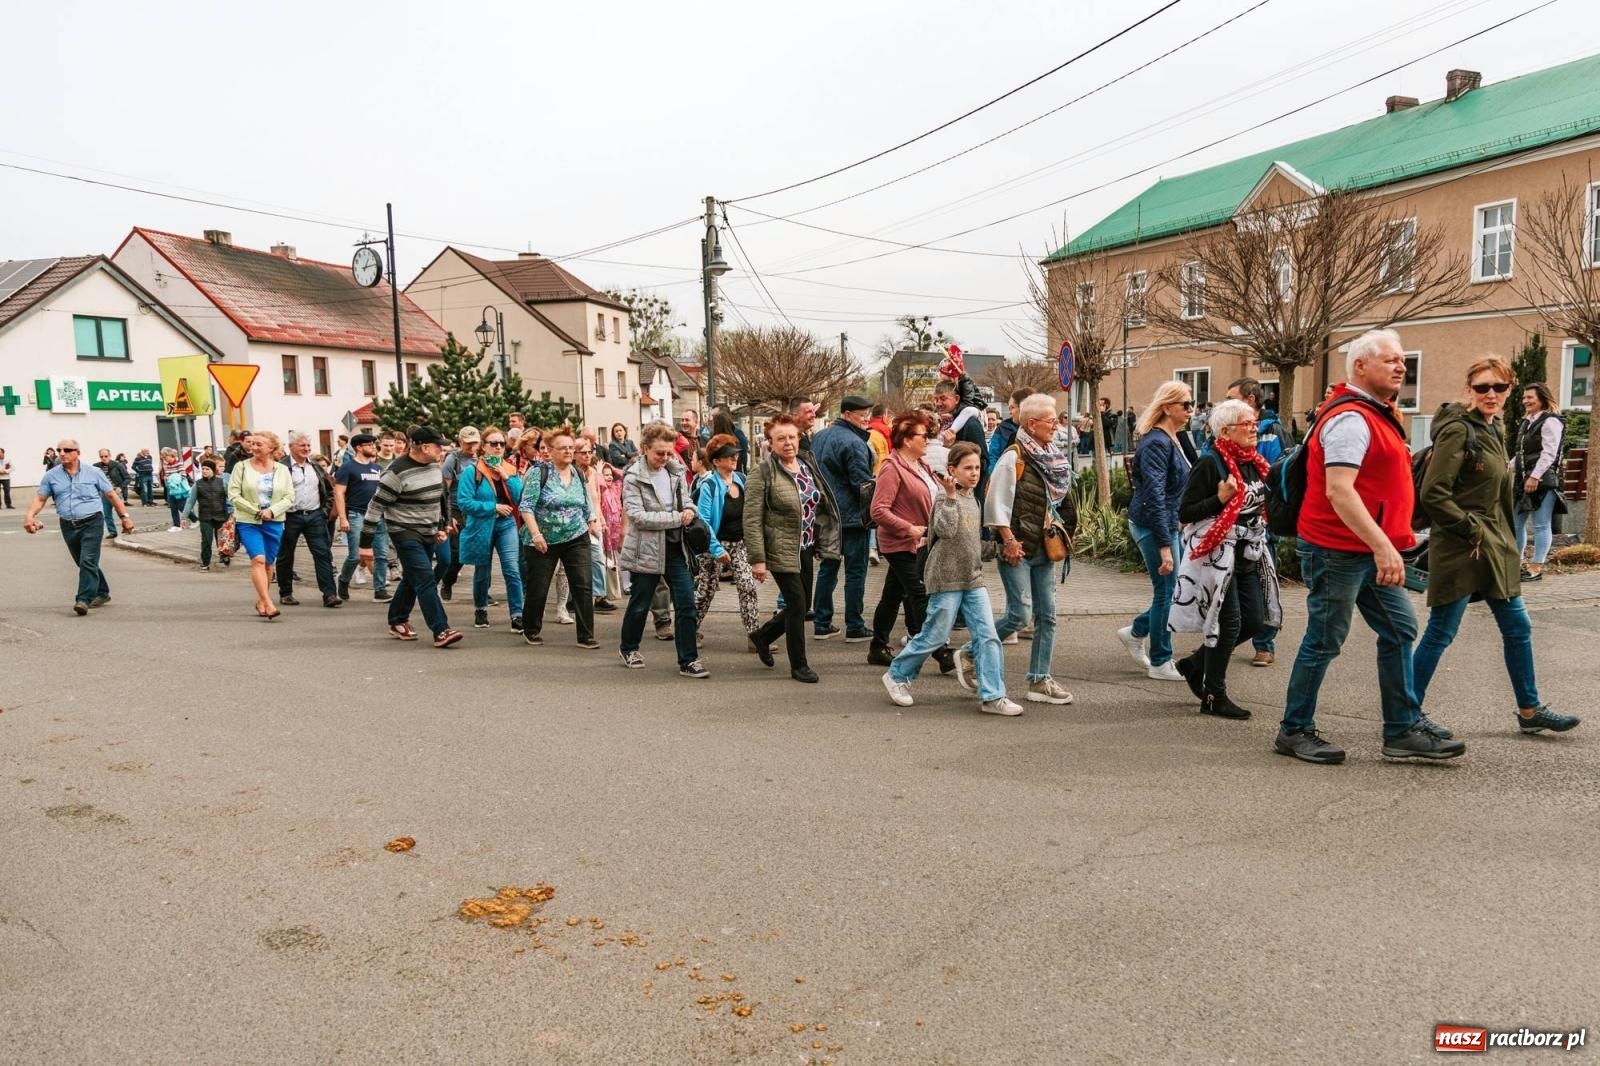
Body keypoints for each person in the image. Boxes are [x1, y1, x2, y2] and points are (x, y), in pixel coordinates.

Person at [1276, 329, 1466, 764]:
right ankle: (1294, 729)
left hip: (1367, 548)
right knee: (1324, 639)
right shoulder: (1351, 418)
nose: (1401, 366)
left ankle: (1401, 729)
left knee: (1400, 629)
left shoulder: (1378, 413)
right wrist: (1383, 545)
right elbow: (1340, 491)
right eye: (1390, 360)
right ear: (1360, 366)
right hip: (1338, 549)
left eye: (1402, 360)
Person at [1412, 359, 1579, 736]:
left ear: (1509, 391)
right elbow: (1434, 493)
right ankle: (1404, 712)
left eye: (1499, 388)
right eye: (1482, 387)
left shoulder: (1494, 427)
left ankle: (1530, 709)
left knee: (1518, 628)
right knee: (1440, 632)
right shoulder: (1458, 430)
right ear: (1469, 388)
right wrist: (1472, 530)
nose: (1491, 394)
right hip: (1463, 548)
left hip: (1495, 548)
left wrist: (1500, 540)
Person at [883, 442, 1023, 716]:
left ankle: (993, 696)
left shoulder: (974, 500)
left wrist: (1000, 549)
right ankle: (897, 675)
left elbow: (972, 544)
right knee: (934, 635)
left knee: (988, 636)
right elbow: (945, 531)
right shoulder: (942, 498)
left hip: (972, 579)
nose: (974, 473)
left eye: (977, 468)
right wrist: (949, 496)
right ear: (952, 470)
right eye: (967, 468)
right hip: (945, 579)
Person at [1169, 399, 1280, 719]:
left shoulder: (1254, 461)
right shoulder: (1210, 463)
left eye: (1254, 422)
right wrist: (1219, 499)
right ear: (1225, 430)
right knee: (1229, 624)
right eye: (1246, 423)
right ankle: (1214, 695)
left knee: (1254, 621)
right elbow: (1186, 512)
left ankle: (1195, 664)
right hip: (1218, 554)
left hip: (1248, 551)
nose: (1253, 428)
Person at [987, 394, 1075, 705]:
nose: (1056, 425)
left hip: (1045, 548)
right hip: (1019, 547)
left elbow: (1063, 501)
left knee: (1047, 616)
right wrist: (1008, 540)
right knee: (1019, 614)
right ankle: (972, 652)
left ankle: (1039, 681)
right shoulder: (1014, 456)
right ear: (1031, 423)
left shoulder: (1053, 456)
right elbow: (995, 502)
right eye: (1051, 420)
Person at [746, 415, 840, 684]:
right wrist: (757, 560)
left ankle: (762, 636)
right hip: (779, 548)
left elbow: (817, 506)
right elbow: (751, 519)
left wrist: (822, 541)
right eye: (781, 439)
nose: (787, 443)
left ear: (799, 438)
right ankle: (799, 665)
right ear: (771, 443)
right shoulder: (762, 472)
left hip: (806, 547)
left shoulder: (806, 465)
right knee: (797, 605)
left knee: (802, 604)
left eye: (791, 437)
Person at [1119, 381, 1197, 681]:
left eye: (1191, 404)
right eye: (1185, 405)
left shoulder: (1177, 437)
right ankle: (1161, 660)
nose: (1191, 409)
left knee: (1171, 591)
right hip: (1153, 524)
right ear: (1167, 407)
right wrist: (1165, 544)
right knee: (1167, 592)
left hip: (1169, 522)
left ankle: (1136, 631)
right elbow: (1153, 494)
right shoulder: (1155, 443)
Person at [867, 410, 953, 674]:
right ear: (906, 440)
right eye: (923, 436)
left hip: (922, 542)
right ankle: (941, 651)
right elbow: (878, 510)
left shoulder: (922, 465)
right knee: (919, 595)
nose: (927, 440)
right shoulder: (892, 468)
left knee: (892, 594)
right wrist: (909, 529)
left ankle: (877, 646)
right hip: (901, 544)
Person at [617, 422, 706, 677]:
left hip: (676, 547)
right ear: (645, 449)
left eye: (669, 453)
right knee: (640, 604)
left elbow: (686, 501)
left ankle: (688, 660)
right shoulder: (633, 477)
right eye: (659, 453)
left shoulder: (676, 471)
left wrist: (690, 510)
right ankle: (628, 647)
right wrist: (678, 518)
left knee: (687, 603)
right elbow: (637, 516)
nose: (665, 458)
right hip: (646, 549)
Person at [361, 425, 461, 648]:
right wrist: (365, 545)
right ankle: (441, 629)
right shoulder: (396, 473)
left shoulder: (434, 467)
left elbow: (439, 498)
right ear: (424, 447)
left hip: (428, 532)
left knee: (412, 578)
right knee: (425, 578)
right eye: (439, 447)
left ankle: (397, 620)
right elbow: (374, 509)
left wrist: (442, 527)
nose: (443, 451)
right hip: (404, 533)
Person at [23, 438, 134, 613]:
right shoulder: (51, 475)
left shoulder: (93, 472)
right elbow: (40, 498)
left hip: (92, 521)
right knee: (82, 562)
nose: (62, 453)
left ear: (77, 453)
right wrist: (30, 516)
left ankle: (83, 599)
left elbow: (111, 495)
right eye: (59, 450)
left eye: (67, 450)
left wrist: (124, 517)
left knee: (87, 560)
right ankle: (102, 592)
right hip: (68, 525)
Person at [1224, 377, 1284, 666]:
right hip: (1233, 523)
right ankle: (1229, 636)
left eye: (1231, 398)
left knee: (1265, 581)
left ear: (1249, 400)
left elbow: (1277, 474)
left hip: (1260, 520)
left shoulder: (1271, 433)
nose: (1226, 403)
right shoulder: (1225, 433)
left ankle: (1264, 643)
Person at [519, 428, 598, 648]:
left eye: (571, 448)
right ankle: (531, 629)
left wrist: (592, 521)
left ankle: (586, 635)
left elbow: (584, 502)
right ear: (550, 451)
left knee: (582, 584)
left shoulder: (578, 473)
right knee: (539, 586)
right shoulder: (539, 473)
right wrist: (535, 534)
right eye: (563, 448)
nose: (568, 451)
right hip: (543, 538)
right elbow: (526, 507)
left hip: (575, 534)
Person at [810, 395, 876, 642]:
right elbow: (863, 485)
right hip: (851, 517)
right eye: (862, 415)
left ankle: (821, 622)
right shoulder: (854, 443)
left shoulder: (820, 437)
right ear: (847, 414)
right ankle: (855, 625)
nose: (866, 419)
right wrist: (872, 516)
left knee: (828, 567)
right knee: (856, 572)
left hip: (825, 515)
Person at [457, 426, 526, 633]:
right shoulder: (472, 472)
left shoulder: (510, 469)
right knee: (482, 571)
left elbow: (519, 499)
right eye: (493, 443)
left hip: (506, 525)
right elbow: (464, 502)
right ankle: (480, 608)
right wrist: (492, 507)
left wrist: (505, 476)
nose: (498, 447)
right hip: (482, 525)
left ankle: (517, 615)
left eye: (501, 444)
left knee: (512, 569)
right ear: (483, 447)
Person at [693, 433, 760, 636]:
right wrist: (716, 548)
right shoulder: (709, 486)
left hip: (739, 544)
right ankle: (689, 630)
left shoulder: (741, 479)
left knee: (748, 587)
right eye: (729, 455)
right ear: (716, 461)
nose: (734, 458)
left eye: (735, 454)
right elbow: (704, 522)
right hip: (714, 546)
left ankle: (756, 636)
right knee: (706, 592)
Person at [226, 430, 294, 620]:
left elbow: (289, 497)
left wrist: (271, 511)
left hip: (274, 521)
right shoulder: (241, 467)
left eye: (258, 444)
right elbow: (233, 494)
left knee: (268, 563)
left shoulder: (282, 470)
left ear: (271, 448)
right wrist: (255, 510)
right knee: (258, 559)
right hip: (249, 520)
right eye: (252, 444)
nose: (253, 447)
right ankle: (269, 602)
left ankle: (261, 600)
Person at [275, 431, 340, 609]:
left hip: (314, 516)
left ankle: (330, 594)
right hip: (290, 517)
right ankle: (286, 592)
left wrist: (324, 512)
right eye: (302, 445)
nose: (306, 449)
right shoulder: (281, 468)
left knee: (323, 554)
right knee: (285, 555)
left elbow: (328, 490)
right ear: (291, 447)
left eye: (308, 446)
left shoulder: (315, 467)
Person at [1511, 382, 1565, 582]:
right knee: (1516, 522)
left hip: (1543, 480)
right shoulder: (1527, 422)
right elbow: (1522, 454)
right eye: (1524, 398)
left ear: (1541, 398)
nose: (1525, 401)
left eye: (1529, 398)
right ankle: (1515, 563)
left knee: (1541, 524)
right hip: (1523, 480)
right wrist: (1506, 467)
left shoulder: (1551, 421)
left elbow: (1549, 453)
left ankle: (1536, 567)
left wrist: (1535, 476)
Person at [333, 433, 390, 601]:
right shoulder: (348, 468)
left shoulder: (377, 468)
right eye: (369, 444)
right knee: (356, 555)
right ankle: (343, 580)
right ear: (359, 447)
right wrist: (343, 518)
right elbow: (339, 493)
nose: (374, 447)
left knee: (381, 554)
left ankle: (379, 590)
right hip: (356, 514)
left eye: (374, 444)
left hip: (377, 515)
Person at [434, 426, 480, 601]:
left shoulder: (482, 459)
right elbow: (444, 489)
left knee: (481, 553)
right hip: (457, 510)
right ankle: (447, 581)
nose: (471, 446)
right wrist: (448, 516)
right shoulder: (453, 460)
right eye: (468, 443)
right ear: (460, 442)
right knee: (458, 554)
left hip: (477, 510)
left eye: (475, 442)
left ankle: (482, 591)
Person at [183, 458, 231, 571]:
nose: (204, 471)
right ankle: (205, 562)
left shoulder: (222, 482)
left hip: (221, 515)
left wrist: (233, 510)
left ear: (213, 470)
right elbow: (190, 501)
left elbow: (231, 497)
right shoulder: (198, 484)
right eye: (203, 469)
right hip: (205, 516)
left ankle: (224, 556)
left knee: (222, 539)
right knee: (206, 540)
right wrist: (184, 517)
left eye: (207, 469)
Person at [986, 389, 1033, 472]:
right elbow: (993, 455)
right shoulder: (1003, 428)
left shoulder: (1039, 430)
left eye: (1012, 407)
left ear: (1024, 407)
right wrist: (994, 476)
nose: (1010, 412)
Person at [93, 449, 130, 538]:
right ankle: (112, 532)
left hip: (116, 492)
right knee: (106, 514)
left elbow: (127, 478)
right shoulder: (96, 467)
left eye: (106, 456)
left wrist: (120, 487)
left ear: (110, 456)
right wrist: (98, 491)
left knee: (121, 512)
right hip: (105, 493)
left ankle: (126, 527)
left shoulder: (118, 465)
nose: (103, 458)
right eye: (101, 457)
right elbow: (93, 480)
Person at [709, 405, 750, 473]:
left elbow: (743, 458)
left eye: (714, 416)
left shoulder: (737, 433)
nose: (711, 419)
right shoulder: (713, 436)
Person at [162, 460, 190, 531]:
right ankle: (176, 525)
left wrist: (174, 481)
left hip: (180, 489)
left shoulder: (179, 464)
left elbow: (183, 475)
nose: (164, 459)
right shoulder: (167, 465)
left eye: (165, 457)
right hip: (172, 489)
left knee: (181, 506)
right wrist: (169, 482)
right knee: (173, 507)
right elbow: (167, 477)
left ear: (171, 456)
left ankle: (194, 519)